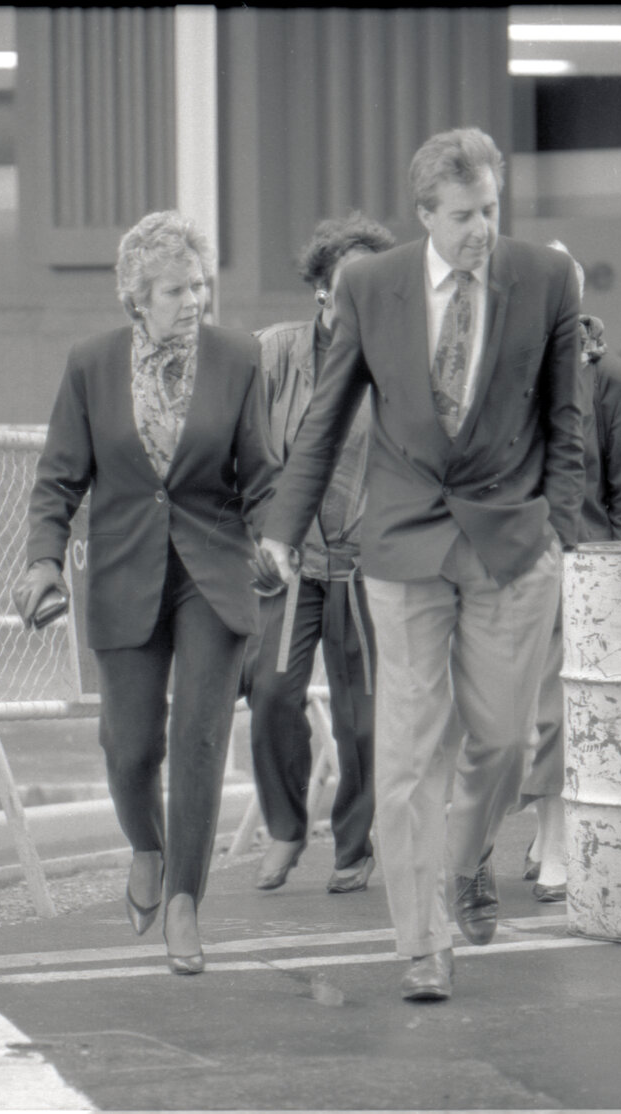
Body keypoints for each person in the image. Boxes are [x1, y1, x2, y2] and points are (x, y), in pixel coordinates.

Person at [257, 128, 585, 1002]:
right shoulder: (371, 285)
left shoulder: (547, 279)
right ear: (425, 214)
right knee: (404, 748)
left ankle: (471, 854)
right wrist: (285, 528)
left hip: (511, 540)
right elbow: (325, 417)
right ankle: (421, 943)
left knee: (505, 740)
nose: (482, 228)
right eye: (464, 215)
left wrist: (560, 526)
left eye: (491, 209)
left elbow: (567, 416)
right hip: (402, 542)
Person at [15, 210, 277, 976]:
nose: (192, 300)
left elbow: (260, 473)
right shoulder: (91, 364)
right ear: (136, 297)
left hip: (215, 574)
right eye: (173, 289)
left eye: (199, 285)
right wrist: (42, 560)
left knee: (198, 738)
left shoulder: (237, 358)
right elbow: (59, 476)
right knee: (128, 749)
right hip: (126, 575)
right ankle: (145, 845)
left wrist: (274, 540)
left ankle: (186, 903)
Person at [243, 213, 395, 896]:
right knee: (272, 693)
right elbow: (238, 449)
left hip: (368, 564)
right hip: (289, 561)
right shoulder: (272, 355)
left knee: (363, 718)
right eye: (348, 293)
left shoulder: (399, 365)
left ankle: (355, 844)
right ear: (322, 298)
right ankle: (283, 827)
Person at [520, 242, 621, 903]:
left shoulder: (612, 379)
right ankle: (547, 834)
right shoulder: (505, 374)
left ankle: (557, 840)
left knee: (562, 714)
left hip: (590, 566)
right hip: (518, 561)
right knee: (527, 716)